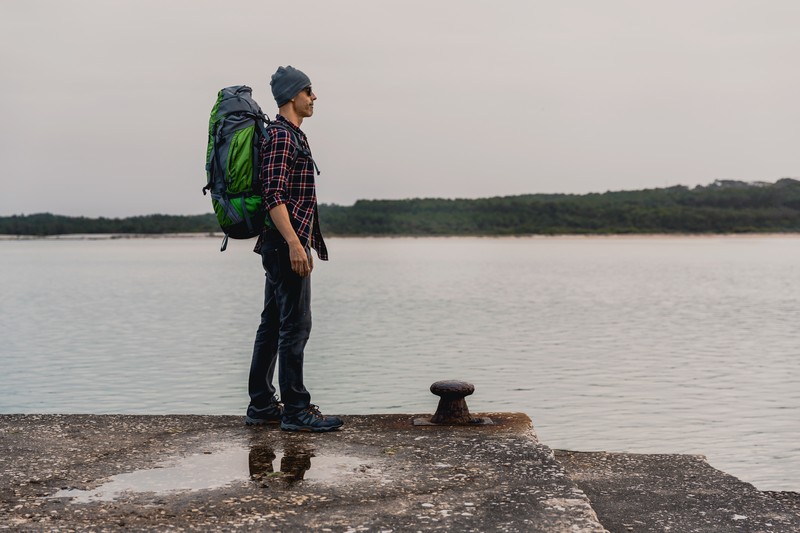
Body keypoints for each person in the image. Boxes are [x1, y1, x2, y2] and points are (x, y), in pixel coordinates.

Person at [245, 66, 343, 432]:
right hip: (284, 244)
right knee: (294, 328)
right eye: (308, 91)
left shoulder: (289, 135)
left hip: (280, 243)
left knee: (272, 325)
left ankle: (261, 405)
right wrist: (294, 244)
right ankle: (296, 410)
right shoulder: (284, 137)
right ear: (292, 96)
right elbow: (274, 194)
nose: (314, 97)